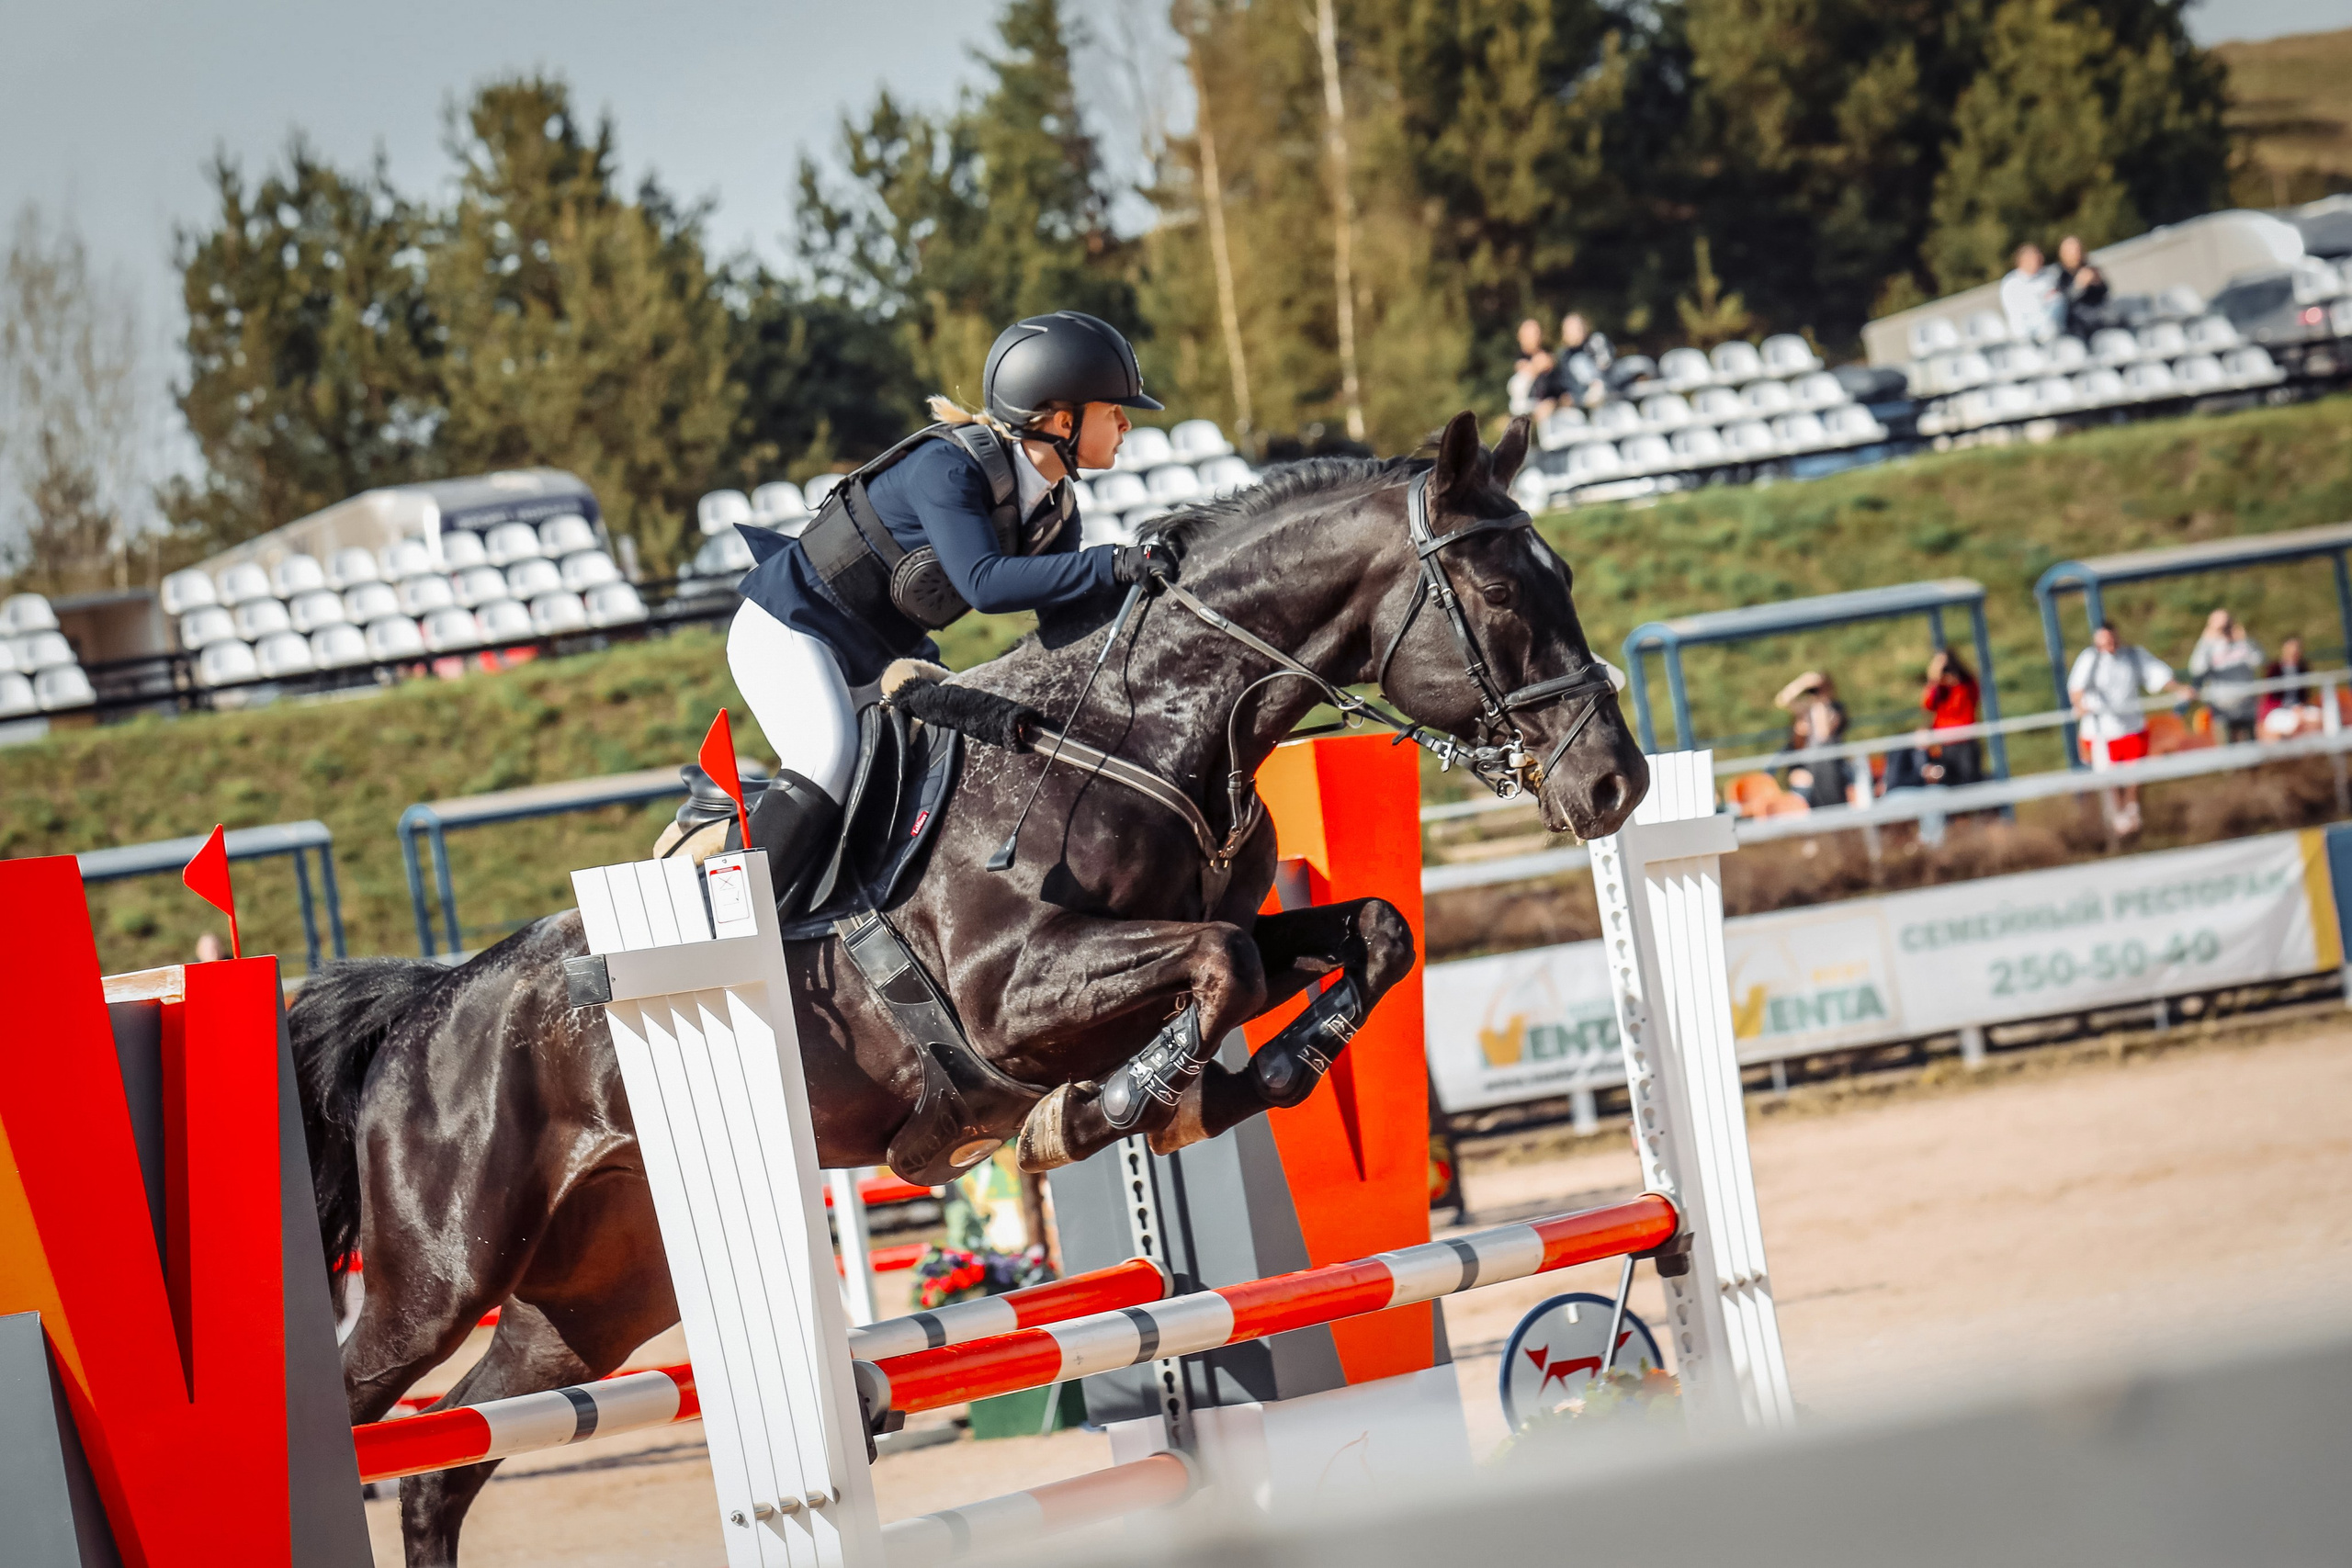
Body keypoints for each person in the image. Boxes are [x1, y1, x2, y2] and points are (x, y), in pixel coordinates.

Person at [726, 310, 1180, 898]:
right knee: (827, 756)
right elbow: (984, 584)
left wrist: (1150, 606)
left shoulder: (1054, 507)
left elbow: (1063, 625)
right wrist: (1113, 561)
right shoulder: (949, 466)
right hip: (791, 625)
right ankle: (730, 916)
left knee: (933, 772)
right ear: (1063, 419)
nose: (1125, 423)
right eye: (1114, 410)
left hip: (875, 655)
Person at [2067, 621, 2189, 834]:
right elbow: (2077, 687)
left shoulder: (2132, 655)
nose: (2109, 645)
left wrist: (2179, 689)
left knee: (2135, 775)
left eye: (2111, 639)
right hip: (2101, 732)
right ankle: (2117, 819)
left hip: (2131, 727)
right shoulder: (2090, 659)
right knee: (2110, 778)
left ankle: (2132, 812)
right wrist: (2079, 705)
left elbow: (2157, 674)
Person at [1775, 671, 1853, 808]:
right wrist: (1802, 682)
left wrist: (1821, 703)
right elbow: (1782, 700)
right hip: (1812, 762)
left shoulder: (1835, 709)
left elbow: (1824, 733)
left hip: (1831, 761)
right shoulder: (1808, 709)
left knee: (1834, 797)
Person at [2188, 608, 2264, 744]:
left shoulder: (2243, 643)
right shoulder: (2208, 647)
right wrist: (2205, 641)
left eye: (2227, 625)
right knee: (2227, 756)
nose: (2224, 630)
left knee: (2253, 755)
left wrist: (2245, 640)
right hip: (2221, 710)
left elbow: (2260, 661)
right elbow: (2196, 669)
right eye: (2220, 627)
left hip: (2247, 707)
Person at [1917, 649, 1984, 786]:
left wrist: (1953, 677)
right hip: (1946, 744)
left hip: (1965, 741)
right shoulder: (1940, 689)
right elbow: (1927, 703)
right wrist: (1934, 678)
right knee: (1951, 783)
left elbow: (1973, 693)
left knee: (1970, 782)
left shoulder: (1965, 685)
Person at [1532, 311, 1612, 416]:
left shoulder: (1595, 341)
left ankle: (1596, 388)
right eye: (1569, 330)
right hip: (1578, 399)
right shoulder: (1563, 355)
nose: (1572, 333)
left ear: (1584, 328)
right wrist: (1551, 399)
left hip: (1608, 386)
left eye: (1575, 329)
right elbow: (1558, 381)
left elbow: (1606, 365)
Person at [2258, 634, 2324, 739]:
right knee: (2291, 724)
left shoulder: (2303, 669)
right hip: (2280, 709)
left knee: (2318, 717)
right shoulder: (2274, 670)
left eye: (2297, 648)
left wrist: (2300, 707)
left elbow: (2304, 695)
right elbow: (2271, 696)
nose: (2294, 651)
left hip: (2300, 708)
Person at [1998, 243, 2064, 344]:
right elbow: (2016, 317)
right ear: (2022, 261)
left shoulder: (2050, 277)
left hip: (2055, 334)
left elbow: (2057, 303)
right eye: (2034, 258)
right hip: (2027, 338)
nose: (2039, 260)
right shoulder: (2012, 284)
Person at [2056, 234, 2112, 340]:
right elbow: (2063, 302)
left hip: (2101, 319)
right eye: (2071, 250)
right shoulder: (2060, 275)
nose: (2075, 253)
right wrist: (2079, 285)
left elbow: (2105, 293)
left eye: (2077, 249)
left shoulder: (2091, 269)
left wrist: (2097, 282)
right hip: (2079, 327)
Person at [1507, 317, 1554, 416]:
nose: (1535, 337)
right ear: (1520, 336)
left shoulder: (1548, 353)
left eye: (1537, 333)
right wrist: (1536, 366)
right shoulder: (1516, 358)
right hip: (1526, 407)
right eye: (1531, 334)